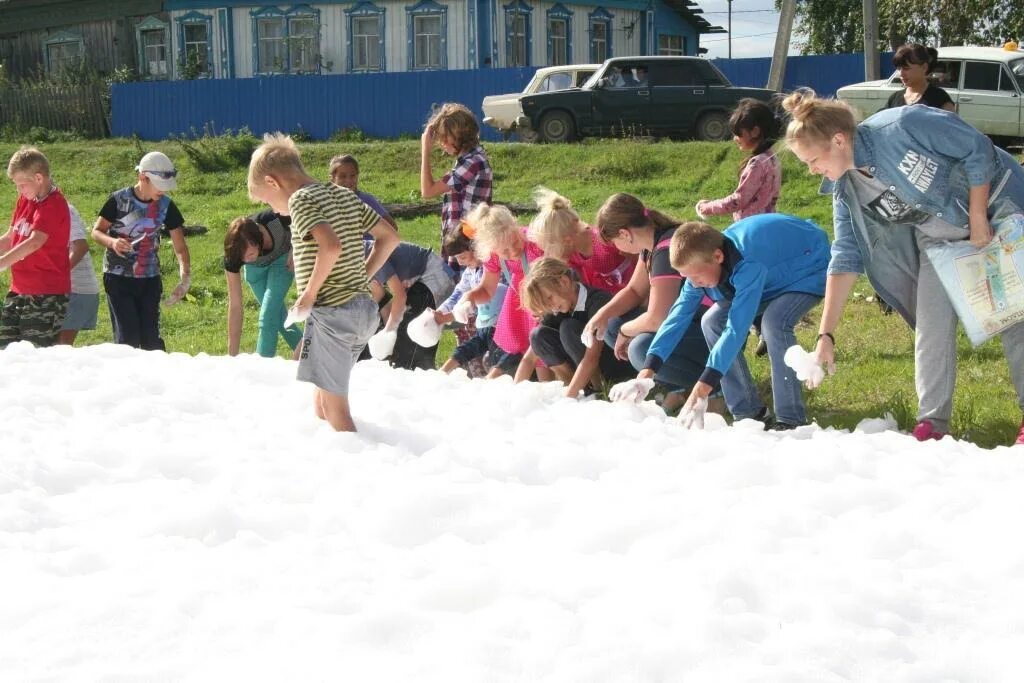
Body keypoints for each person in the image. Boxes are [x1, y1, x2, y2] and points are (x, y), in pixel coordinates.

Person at [782, 89, 1024, 444]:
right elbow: (846, 255)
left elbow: (977, 148)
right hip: (939, 240)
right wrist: (825, 335)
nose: (811, 169)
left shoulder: (903, 124)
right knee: (931, 327)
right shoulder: (846, 189)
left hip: (997, 213)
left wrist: (976, 216)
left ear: (838, 139)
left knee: (1013, 316)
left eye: (812, 160)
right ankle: (932, 424)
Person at [246, 133, 400, 432]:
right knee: (321, 405)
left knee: (335, 410)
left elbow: (330, 247)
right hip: (362, 312)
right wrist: (362, 277)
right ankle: (333, 460)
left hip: (333, 312)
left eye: (268, 201)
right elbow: (390, 237)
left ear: (273, 183)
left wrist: (308, 295)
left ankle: (363, 467)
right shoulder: (343, 194)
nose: (276, 211)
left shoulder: (300, 200)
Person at [622, 217, 829, 430]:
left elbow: (736, 329)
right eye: (686, 278)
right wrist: (647, 373)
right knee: (711, 321)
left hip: (808, 267)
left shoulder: (747, 266)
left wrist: (702, 387)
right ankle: (750, 414)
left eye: (695, 277)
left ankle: (791, 419)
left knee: (773, 322)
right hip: (770, 276)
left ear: (718, 257)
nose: (692, 284)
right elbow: (676, 319)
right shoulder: (701, 268)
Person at [582, 193, 710, 407]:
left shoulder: (666, 249)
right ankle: (676, 386)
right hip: (691, 323)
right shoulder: (651, 246)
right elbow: (634, 290)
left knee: (639, 348)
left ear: (624, 234)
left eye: (614, 242)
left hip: (710, 330)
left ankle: (712, 386)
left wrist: (626, 331)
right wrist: (602, 315)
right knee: (612, 326)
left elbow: (658, 319)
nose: (617, 248)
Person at [91, 151, 191, 351]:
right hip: (118, 278)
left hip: (150, 279)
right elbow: (97, 232)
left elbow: (180, 246)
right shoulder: (118, 200)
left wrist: (185, 277)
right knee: (127, 340)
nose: (162, 192)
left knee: (152, 342)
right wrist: (112, 243)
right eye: (159, 186)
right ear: (142, 177)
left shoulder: (166, 206)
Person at [521, 257, 634, 398]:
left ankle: (599, 390)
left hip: (613, 364)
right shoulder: (558, 307)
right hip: (584, 366)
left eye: (549, 298)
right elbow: (530, 357)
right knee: (538, 336)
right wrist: (513, 396)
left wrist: (566, 400)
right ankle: (578, 387)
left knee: (568, 328)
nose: (551, 306)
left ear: (564, 282)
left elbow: (592, 357)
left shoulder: (597, 300)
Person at [463, 202, 547, 382]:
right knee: (519, 348)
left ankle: (549, 388)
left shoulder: (535, 244)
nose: (513, 251)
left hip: (544, 300)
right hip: (521, 303)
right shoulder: (494, 256)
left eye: (515, 241)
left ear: (516, 227)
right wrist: (468, 299)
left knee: (542, 356)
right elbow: (486, 289)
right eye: (505, 251)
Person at [0, 146, 71, 349]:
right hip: (19, 289)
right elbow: (9, 238)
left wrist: (2, 264)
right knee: (6, 351)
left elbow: (35, 241)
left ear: (39, 178)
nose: (19, 190)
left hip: (45, 294)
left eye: (22, 185)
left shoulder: (54, 204)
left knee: (34, 356)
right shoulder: (25, 200)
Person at [222, 211, 302, 358]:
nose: (245, 260)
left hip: (282, 263)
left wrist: (295, 247)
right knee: (279, 319)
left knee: (267, 317)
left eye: (250, 254)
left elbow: (303, 220)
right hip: (256, 274)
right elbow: (235, 306)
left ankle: (263, 366)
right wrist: (232, 357)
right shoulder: (233, 257)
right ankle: (311, 353)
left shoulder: (272, 221)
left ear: (259, 240)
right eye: (242, 258)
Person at [527, 186, 636, 294]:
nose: (547, 254)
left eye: (549, 248)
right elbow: (582, 285)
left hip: (636, 279)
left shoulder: (603, 240)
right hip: (612, 288)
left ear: (567, 240)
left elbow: (636, 255)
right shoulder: (572, 254)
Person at [366, 241, 456, 371]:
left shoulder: (370, 255)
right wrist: (389, 333)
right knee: (400, 341)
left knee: (413, 339)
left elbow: (400, 296)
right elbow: (382, 300)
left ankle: (419, 378)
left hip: (433, 275)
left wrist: (390, 331)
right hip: (414, 283)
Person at [433, 226, 510, 376]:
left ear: (476, 249)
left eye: (462, 257)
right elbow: (458, 295)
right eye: (456, 259)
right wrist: (440, 311)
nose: (460, 263)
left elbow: (488, 300)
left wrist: (449, 316)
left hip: (503, 325)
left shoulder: (495, 268)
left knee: (492, 360)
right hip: (485, 326)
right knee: (474, 354)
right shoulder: (470, 272)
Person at [696, 98, 782, 221]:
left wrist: (707, 207)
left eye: (738, 133)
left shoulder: (757, 163)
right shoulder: (772, 158)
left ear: (755, 132)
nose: (735, 139)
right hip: (767, 222)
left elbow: (738, 200)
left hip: (750, 228)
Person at [419, 103, 493, 244]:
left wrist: (425, 151)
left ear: (461, 135)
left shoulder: (471, 163)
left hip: (465, 246)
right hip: (462, 242)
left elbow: (427, 191)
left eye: (446, 138)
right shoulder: (471, 158)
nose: (442, 143)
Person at [58, 203, 100, 345]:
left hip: (75, 289)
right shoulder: (29, 208)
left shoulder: (63, 209)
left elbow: (80, 247)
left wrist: (56, 277)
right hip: (56, 290)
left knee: (59, 347)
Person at [328, 154, 397, 230]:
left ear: (357, 176)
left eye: (353, 175)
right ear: (332, 178)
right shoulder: (327, 202)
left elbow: (392, 226)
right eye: (342, 176)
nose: (348, 180)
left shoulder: (367, 200)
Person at [884, 44, 955, 112]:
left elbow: (950, 123)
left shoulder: (940, 98)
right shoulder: (894, 99)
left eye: (906, 68)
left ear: (924, 67)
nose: (901, 74)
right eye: (899, 68)